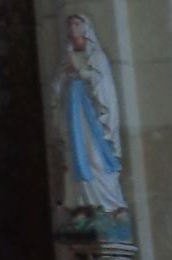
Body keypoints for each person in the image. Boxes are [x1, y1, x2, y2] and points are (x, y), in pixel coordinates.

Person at [53, 11, 127, 218]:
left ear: (86, 28)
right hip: (74, 112)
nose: (73, 28)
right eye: (70, 24)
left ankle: (109, 203)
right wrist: (65, 77)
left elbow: (102, 84)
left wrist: (81, 73)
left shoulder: (96, 56)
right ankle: (81, 203)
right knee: (77, 155)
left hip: (91, 114)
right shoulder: (67, 56)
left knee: (96, 155)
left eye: (77, 23)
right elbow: (57, 87)